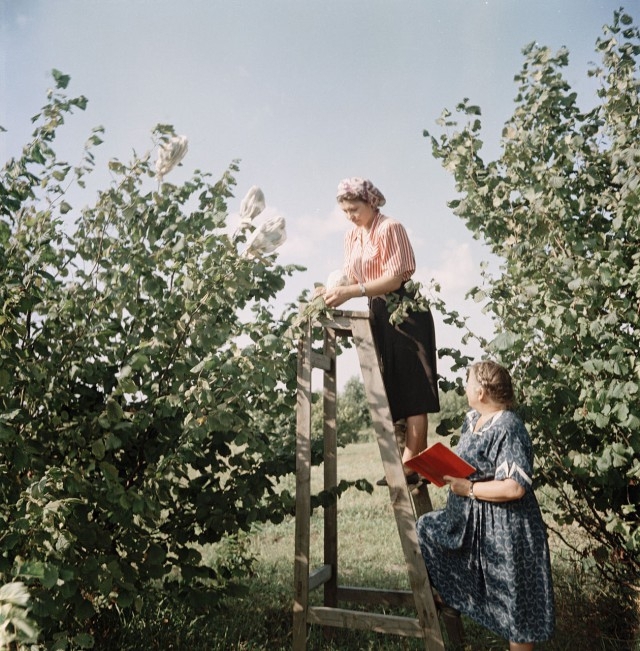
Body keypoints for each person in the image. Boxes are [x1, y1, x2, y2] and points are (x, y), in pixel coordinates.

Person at [416, 361, 555, 651]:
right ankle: (451, 598)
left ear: (480, 391)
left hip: (507, 529)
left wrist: (469, 489)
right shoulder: (472, 420)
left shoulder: (509, 427)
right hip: (471, 523)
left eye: (467, 382)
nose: (464, 386)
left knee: (515, 608)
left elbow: (514, 486)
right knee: (427, 528)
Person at [319, 177, 440, 485]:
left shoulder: (390, 228)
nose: (350, 215)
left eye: (354, 208)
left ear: (371, 202)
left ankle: (413, 463)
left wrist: (354, 291)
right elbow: (352, 278)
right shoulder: (351, 237)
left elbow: (397, 277)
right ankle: (404, 463)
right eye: (345, 211)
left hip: (405, 310)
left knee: (413, 387)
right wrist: (332, 290)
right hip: (378, 311)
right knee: (390, 386)